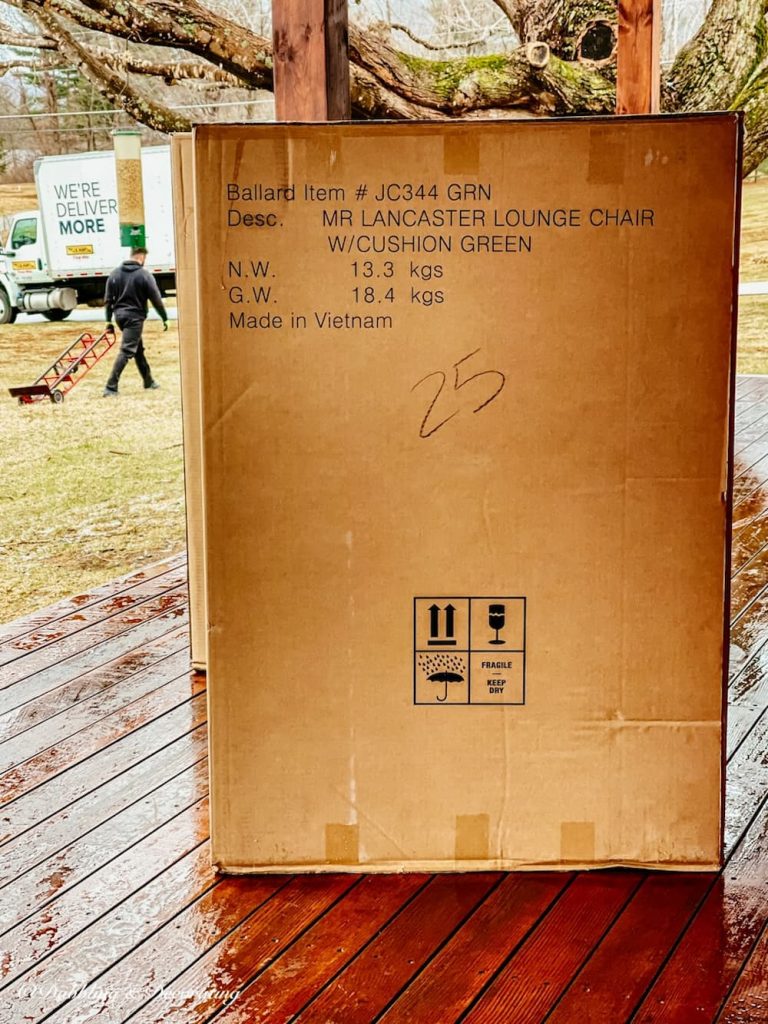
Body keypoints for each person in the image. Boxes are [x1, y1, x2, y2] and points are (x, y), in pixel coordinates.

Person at [103, 246, 168, 397]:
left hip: (120, 317)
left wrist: (108, 321)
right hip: (134, 318)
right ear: (141, 257)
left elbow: (108, 301)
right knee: (127, 350)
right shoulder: (144, 275)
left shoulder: (114, 274)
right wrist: (164, 317)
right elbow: (156, 299)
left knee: (138, 350)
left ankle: (148, 381)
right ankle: (110, 387)